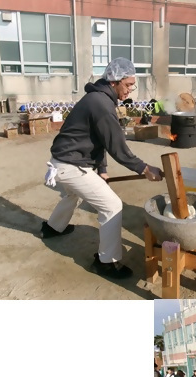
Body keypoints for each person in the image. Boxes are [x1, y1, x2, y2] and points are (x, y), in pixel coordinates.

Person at [41, 57, 163, 279]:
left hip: (63, 161)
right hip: (70, 165)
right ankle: (106, 261)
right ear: (113, 81)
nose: (130, 90)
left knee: (72, 195)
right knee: (112, 205)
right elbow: (117, 147)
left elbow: (99, 141)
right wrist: (144, 168)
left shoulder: (97, 98)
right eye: (127, 85)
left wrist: (102, 169)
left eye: (132, 85)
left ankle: (52, 228)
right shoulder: (102, 104)